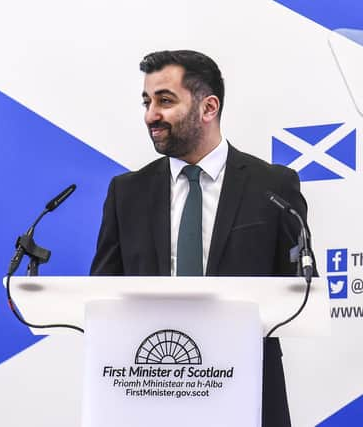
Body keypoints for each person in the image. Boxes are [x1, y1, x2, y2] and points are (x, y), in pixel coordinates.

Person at [90, 50, 313, 427]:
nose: (150, 115)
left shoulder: (273, 186)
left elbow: (299, 292)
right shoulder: (126, 192)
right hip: (148, 391)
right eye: (147, 102)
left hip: (247, 390)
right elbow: (103, 294)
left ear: (209, 107)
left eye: (165, 100)